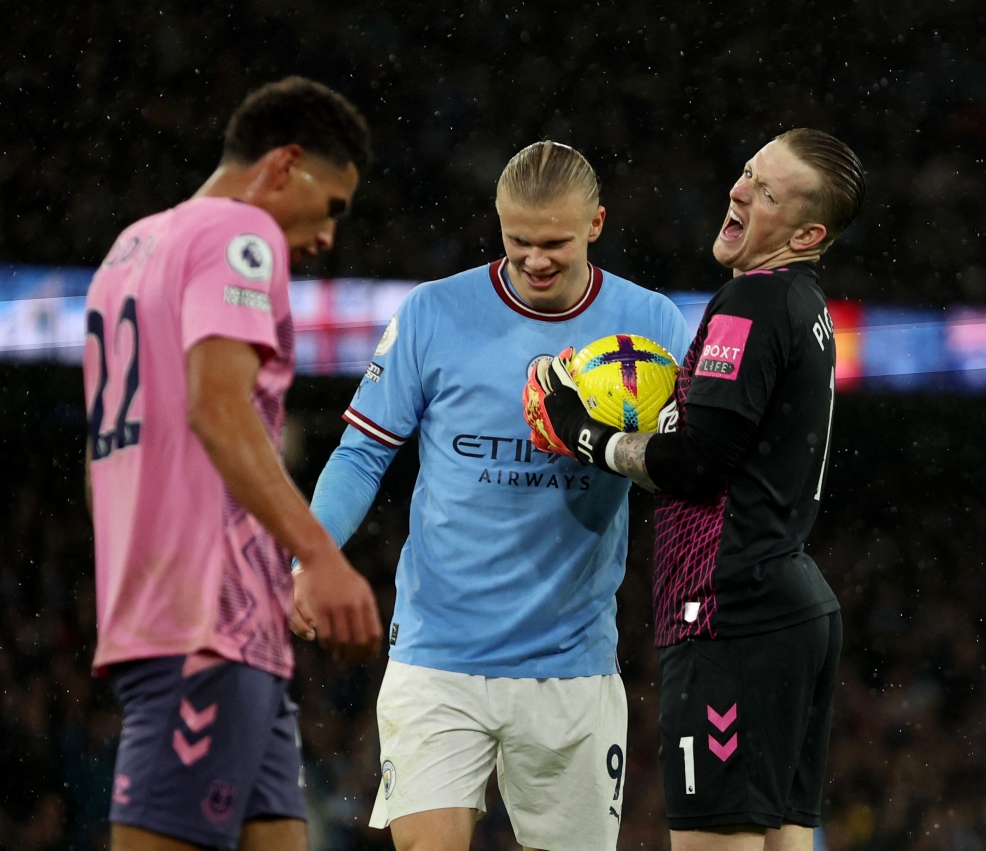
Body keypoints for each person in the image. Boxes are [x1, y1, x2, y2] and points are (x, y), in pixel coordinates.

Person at [305, 140, 690, 851]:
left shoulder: (654, 327)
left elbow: (688, 471)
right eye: (518, 242)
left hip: (571, 661)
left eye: (556, 243)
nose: (536, 260)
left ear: (597, 224)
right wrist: (311, 559)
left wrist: (597, 442)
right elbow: (362, 455)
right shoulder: (434, 313)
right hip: (436, 654)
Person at [525, 128, 865, 851]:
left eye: (766, 192)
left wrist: (582, 431)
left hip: (728, 613)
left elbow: (698, 461)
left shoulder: (749, 302)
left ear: (807, 232)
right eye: (748, 172)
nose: (739, 189)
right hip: (789, 607)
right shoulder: (804, 304)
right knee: (785, 839)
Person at [83, 76, 383, 851]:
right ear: (284, 166)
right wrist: (320, 554)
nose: (326, 239)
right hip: (205, 622)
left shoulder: (131, 247)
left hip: (200, 612)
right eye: (333, 207)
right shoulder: (239, 239)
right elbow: (217, 410)